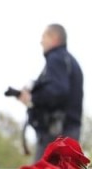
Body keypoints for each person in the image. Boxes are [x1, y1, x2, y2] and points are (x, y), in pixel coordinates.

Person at [16, 23, 83, 160]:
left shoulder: (56, 59)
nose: (41, 41)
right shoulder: (69, 61)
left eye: (44, 36)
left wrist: (32, 98)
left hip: (55, 135)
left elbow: (58, 91)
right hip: (67, 133)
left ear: (54, 38)